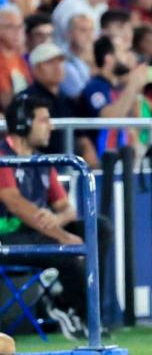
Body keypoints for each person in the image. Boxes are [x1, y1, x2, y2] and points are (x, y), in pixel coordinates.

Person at [0, 95, 112, 340]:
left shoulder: (43, 160)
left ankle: (70, 305)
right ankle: (82, 315)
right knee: (67, 250)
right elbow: (13, 202)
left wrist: (57, 221)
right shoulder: (2, 156)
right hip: (7, 237)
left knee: (99, 228)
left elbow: (66, 208)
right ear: (22, 123)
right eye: (43, 120)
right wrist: (63, 236)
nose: (50, 126)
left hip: (40, 233)